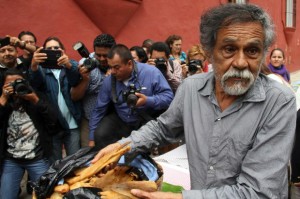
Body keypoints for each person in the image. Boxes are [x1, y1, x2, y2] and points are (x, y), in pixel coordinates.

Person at [92, 3, 296, 199]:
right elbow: (163, 128)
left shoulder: (278, 102)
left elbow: (257, 192)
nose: (241, 62)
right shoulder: (191, 88)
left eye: (252, 51)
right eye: (229, 49)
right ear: (209, 52)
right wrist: (123, 147)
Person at [88, 44, 174, 150]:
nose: (113, 72)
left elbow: (168, 98)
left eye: (117, 67)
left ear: (129, 63)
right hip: (122, 120)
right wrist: (92, 139)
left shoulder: (151, 73)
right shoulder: (109, 81)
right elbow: (99, 110)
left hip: (147, 120)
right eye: (110, 67)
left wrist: (147, 100)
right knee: (101, 134)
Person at [0, 68, 59, 199]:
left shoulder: (34, 97)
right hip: (11, 160)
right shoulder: (3, 101)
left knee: (46, 195)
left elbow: (54, 121)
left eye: (18, 82)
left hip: (36, 158)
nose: (15, 87)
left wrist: (35, 99)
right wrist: (3, 98)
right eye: (10, 84)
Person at [30, 36, 81, 162]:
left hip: (72, 124)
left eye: (56, 48)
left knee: (74, 163)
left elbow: (75, 80)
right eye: (49, 49)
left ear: (63, 50)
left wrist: (67, 65)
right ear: (43, 52)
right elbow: (35, 84)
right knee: (55, 165)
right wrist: (34, 66)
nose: (53, 50)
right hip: (53, 126)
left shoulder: (71, 64)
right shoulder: (40, 69)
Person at [71, 33, 116, 147]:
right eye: (98, 55)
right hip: (89, 120)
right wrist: (85, 79)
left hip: (115, 119)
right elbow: (75, 96)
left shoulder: (120, 63)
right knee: (88, 157)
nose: (101, 59)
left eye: (105, 55)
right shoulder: (85, 64)